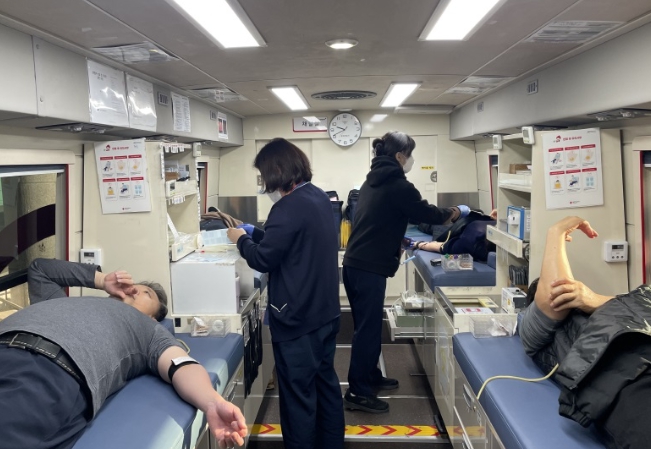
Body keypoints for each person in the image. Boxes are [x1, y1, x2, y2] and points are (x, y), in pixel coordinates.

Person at [0, 258, 247, 449]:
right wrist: (102, 280)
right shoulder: (61, 301)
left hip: (48, 371)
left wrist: (212, 402)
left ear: (153, 317)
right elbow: (40, 269)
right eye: (134, 286)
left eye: (146, 293)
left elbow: (181, 365)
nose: (134, 290)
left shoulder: (147, 330)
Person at [226, 138, 344, 449]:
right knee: (326, 386)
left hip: (298, 319)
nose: (264, 183)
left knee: (297, 398)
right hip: (325, 312)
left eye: (264, 175)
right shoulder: (318, 197)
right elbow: (293, 242)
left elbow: (263, 259)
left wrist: (240, 239)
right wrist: (256, 232)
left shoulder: (286, 208)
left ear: (277, 171)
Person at [342, 130, 470, 413]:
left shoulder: (371, 180)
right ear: (400, 156)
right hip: (367, 268)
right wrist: (457, 212)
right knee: (367, 330)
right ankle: (357, 392)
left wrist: (394, 237)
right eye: (410, 155)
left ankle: (370, 376)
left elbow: (376, 219)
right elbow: (430, 214)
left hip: (356, 264)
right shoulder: (398, 184)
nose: (411, 160)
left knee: (368, 327)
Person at [518, 216, 651, 449]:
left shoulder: (603, 308)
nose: (571, 288)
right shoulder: (535, 335)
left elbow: (642, 304)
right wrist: (556, 231)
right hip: (624, 383)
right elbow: (555, 293)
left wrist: (597, 301)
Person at [407, 209, 497, 262]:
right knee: (429, 221)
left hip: (471, 220)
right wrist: (417, 244)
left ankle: (408, 215)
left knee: (429, 221)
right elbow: (439, 246)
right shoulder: (471, 244)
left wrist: (416, 244)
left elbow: (439, 246)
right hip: (461, 225)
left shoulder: (471, 244)